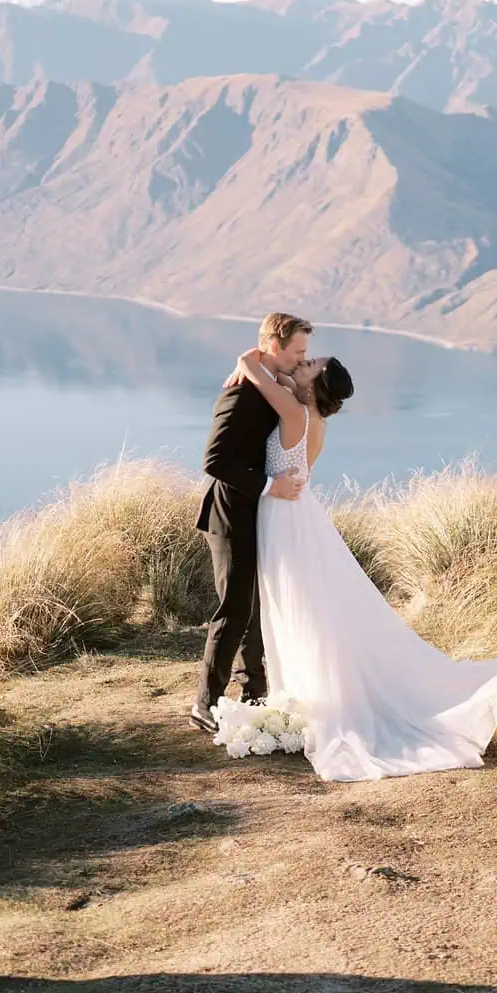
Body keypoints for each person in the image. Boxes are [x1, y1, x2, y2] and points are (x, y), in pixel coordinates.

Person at [224, 347, 497, 780]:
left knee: (299, 606)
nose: (302, 362)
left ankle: (310, 700)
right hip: (296, 515)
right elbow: (279, 379)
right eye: (305, 358)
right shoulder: (308, 416)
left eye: (309, 364)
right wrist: (282, 368)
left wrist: (249, 359)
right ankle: (299, 696)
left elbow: (255, 371)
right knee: (303, 607)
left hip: (286, 519)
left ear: (316, 386)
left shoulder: (296, 414)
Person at [191, 312, 311, 731]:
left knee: (253, 609)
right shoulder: (240, 394)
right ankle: (205, 704)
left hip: (254, 514)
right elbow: (214, 460)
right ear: (273, 346)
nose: (301, 359)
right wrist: (268, 486)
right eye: (297, 351)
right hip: (228, 515)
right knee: (235, 608)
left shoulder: (268, 385)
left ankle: (256, 692)